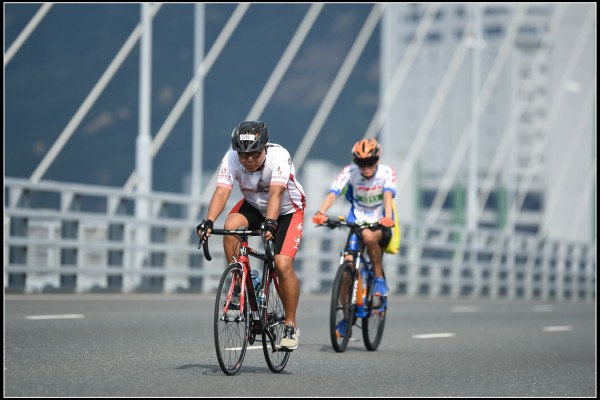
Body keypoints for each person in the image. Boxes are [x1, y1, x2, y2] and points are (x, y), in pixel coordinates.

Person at [197, 120, 305, 351]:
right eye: (243, 155)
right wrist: (208, 221)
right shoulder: (231, 158)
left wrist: (271, 223)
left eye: (254, 154)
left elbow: (276, 194)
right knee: (231, 225)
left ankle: (290, 324)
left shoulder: (279, 156)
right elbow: (222, 191)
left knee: (282, 263)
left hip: (286, 211)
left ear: (264, 148)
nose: (248, 159)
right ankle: (242, 281)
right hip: (255, 206)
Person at [312, 138, 396, 322]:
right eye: (361, 163)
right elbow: (333, 193)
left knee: (369, 237)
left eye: (370, 162)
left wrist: (388, 218)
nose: (366, 167)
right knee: (347, 267)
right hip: (357, 222)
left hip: (380, 223)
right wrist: (321, 213)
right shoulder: (350, 171)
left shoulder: (386, 172)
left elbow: (388, 196)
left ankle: (379, 279)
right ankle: (345, 316)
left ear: (377, 160)